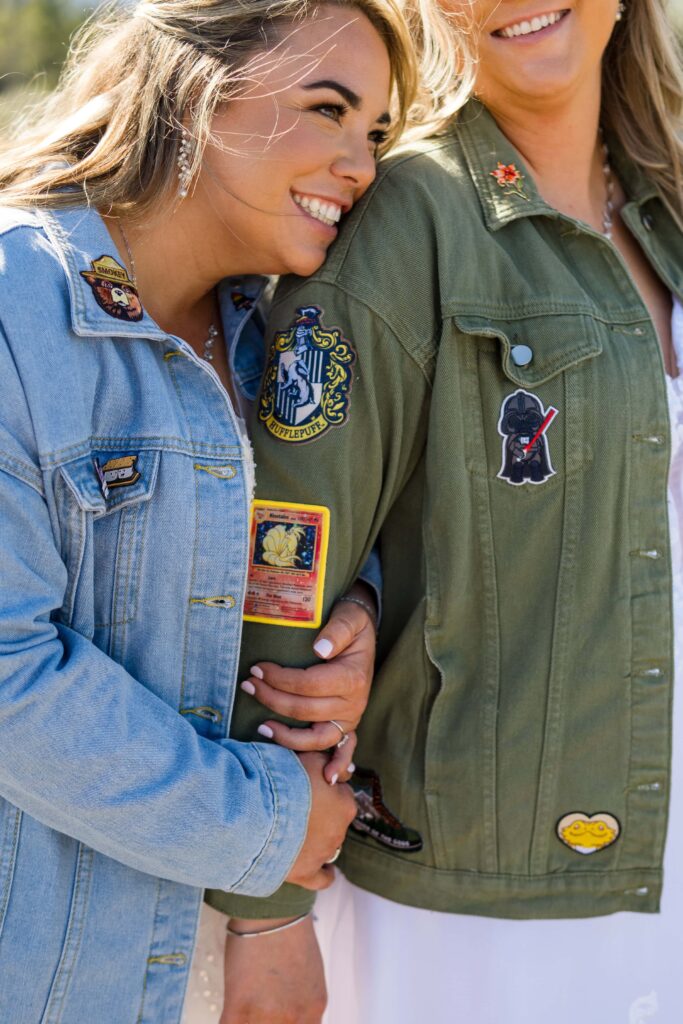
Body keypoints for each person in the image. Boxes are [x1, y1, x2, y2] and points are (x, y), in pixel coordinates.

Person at [207, 0, 683, 1021]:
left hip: (661, 859)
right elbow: (289, 558)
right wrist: (266, 909)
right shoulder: (403, 217)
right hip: (474, 910)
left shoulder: (664, 204)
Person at [0, 1, 418, 1020]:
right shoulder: (14, 304)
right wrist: (268, 826)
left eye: (374, 135)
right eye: (328, 109)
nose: (360, 167)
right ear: (198, 87)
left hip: (210, 962)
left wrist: (353, 619)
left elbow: (273, 562)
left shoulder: (273, 345)